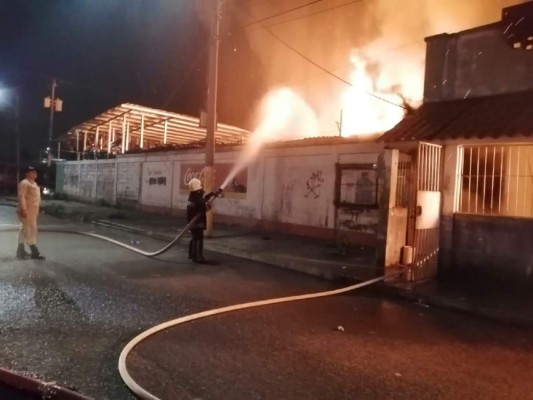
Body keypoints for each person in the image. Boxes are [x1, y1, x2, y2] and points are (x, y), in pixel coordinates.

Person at [17, 166, 45, 260]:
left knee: (24, 229)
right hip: (27, 211)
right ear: (27, 174)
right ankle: (34, 251)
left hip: (32, 211)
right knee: (31, 230)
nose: (34, 173)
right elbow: (22, 197)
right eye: (32, 172)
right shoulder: (25, 183)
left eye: (35, 172)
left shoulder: (33, 183)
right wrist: (24, 209)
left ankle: (20, 251)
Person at [186, 178, 216, 264]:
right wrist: (209, 206)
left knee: (194, 237)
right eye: (200, 186)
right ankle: (198, 257)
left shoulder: (192, 195)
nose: (201, 188)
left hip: (192, 222)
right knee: (198, 238)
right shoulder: (197, 198)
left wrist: (209, 195)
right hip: (197, 222)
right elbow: (203, 207)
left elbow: (201, 200)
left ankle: (192, 254)